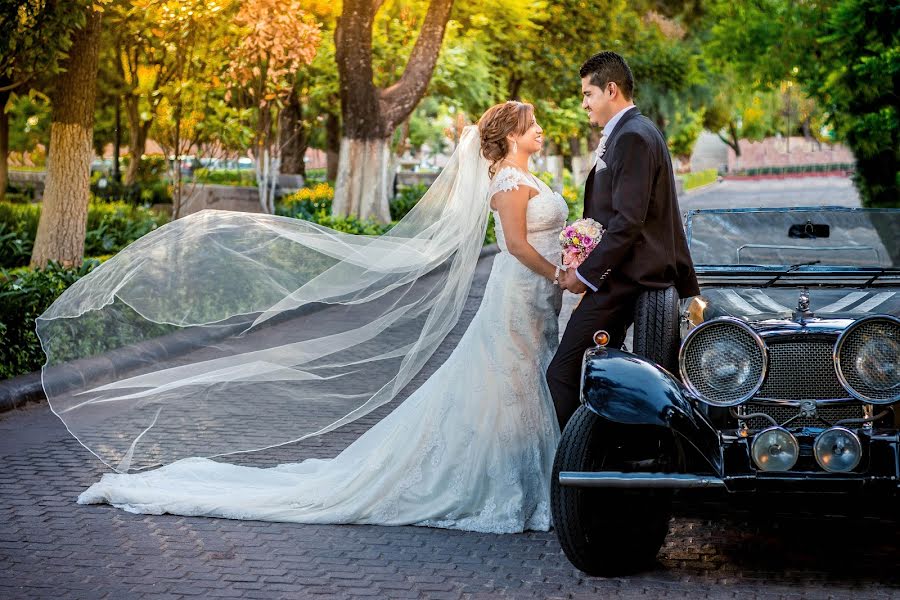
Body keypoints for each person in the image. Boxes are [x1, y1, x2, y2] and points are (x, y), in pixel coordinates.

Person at [73, 101, 569, 533]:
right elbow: (517, 245)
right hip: (518, 291)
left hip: (535, 295)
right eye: (531, 124)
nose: (539, 129)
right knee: (508, 381)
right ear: (509, 135)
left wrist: (570, 259)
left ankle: (521, 476)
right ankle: (504, 485)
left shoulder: (528, 177)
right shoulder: (508, 179)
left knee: (524, 381)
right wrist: (559, 272)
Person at [549, 51, 700, 429]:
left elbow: (628, 222)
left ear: (611, 89)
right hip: (634, 276)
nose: (584, 104)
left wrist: (583, 277)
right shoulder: (638, 131)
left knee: (565, 374)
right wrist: (688, 287)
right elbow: (665, 219)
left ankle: (565, 466)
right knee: (607, 378)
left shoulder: (632, 136)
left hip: (627, 281)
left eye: (588, 94)